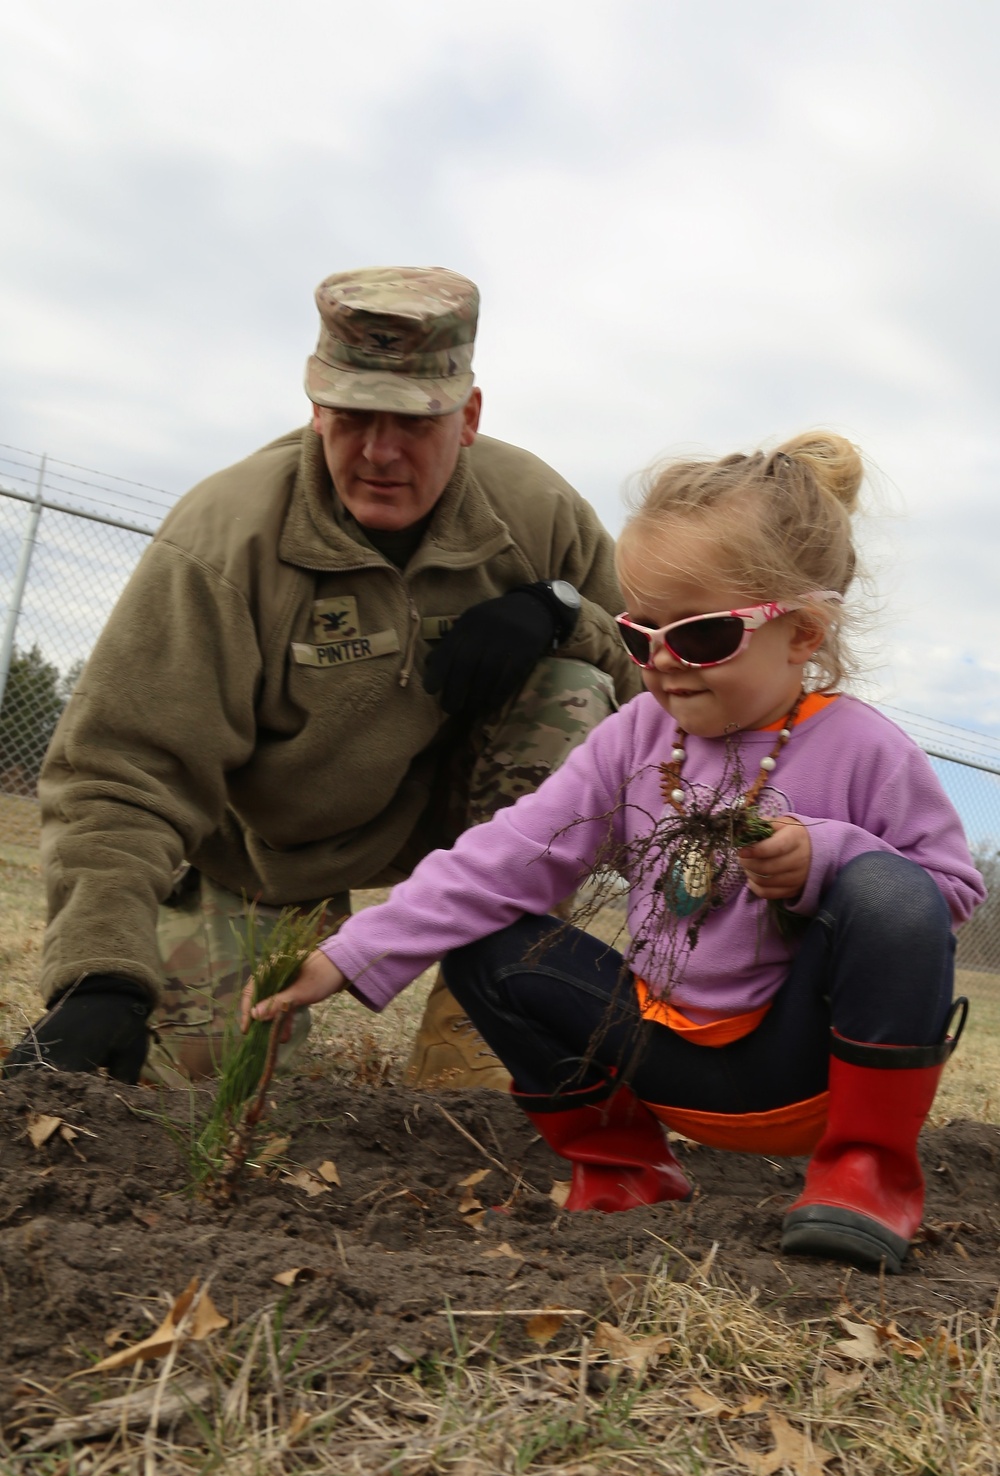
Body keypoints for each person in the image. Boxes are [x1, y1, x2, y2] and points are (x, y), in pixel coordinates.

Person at [242, 430, 985, 1273]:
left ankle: (864, 1176)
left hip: (806, 1071)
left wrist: (830, 858)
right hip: (658, 1052)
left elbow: (945, 895)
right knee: (487, 942)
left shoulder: (864, 748)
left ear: (804, 632)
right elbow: (504, 854)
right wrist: (347, 956)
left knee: (892, 894)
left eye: (701, 637)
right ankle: (626, 1165)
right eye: (641, 634)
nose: (663, 663)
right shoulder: (637, 735)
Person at [5, 265, 639, 1089]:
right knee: (204, 1101)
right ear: (315, 408)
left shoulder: (535, 512)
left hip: (457, 831)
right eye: (351, 416)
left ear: (468, 416)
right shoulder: (225, 539)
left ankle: (483, 1019)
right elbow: (121, 770)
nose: (378, 452)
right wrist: (99, 972)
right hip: (263, 854)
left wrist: (563, 614)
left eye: (412, 422)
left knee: (571, 691)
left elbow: (654, 672)